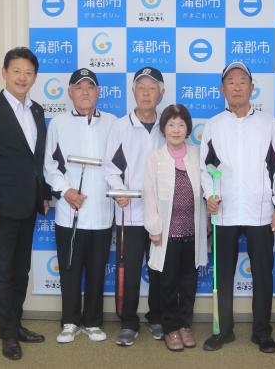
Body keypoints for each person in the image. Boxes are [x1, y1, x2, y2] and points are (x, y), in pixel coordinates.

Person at [0, 47, 50, 360]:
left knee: (20, 271)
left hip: (28, 205)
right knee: (1, 273)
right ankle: (7, 334)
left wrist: (43, 194)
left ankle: (15, 324)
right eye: (17, 71)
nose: (22, 77)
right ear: (4, 73)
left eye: (28, 72)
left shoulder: (37, 111)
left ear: (35, 77)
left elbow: (36, 160)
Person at [199, 62, 275, 354]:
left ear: (251, 87)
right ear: (222, 89)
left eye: (242, 81)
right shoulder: (213, 125)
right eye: (231, 82)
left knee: (263, 273)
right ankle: (222, 331)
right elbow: (205, 168)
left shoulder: (268, 123)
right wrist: (209, 195)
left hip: (259, 211)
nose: (236, 87)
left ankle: (262, 332)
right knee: (222, 275)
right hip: (224, 212)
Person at [43, 68, 117, 344]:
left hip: (102, 212)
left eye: (90, 87)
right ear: (70, 93)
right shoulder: (59, 123)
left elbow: (118, 164)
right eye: (79, 87)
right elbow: (50, 166)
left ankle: (93, 321)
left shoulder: (112, 123)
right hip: (69, 213)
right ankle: (70, 321)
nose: (85, 92)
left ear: (98, 92)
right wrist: (66, 191)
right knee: (70, 270)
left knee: (97, 270)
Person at [104, 66, 166, 346]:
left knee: (159, 269)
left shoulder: (169, 124)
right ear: (133, 91)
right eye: (141, 87)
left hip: (161, 214)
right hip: (130, 213)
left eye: (152, 88)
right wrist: (118, 191)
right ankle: (129, 322)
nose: (146, 93)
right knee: (129, 270)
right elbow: (111, 167)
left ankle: (157, 317)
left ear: (161, 93)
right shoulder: (120, 126)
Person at [143, 104, 208, 352]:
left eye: (181, 125)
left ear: (188, 129)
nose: (176, 130)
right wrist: (154, 227)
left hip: (193, 233)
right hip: (167, 234)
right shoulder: (155, 158)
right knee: (168, 284)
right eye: (171, 125)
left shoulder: (196, 154)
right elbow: (149, 195)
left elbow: (207, 186)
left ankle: (184, 325)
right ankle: (170, 328)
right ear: (164, 129)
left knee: (188, 283)